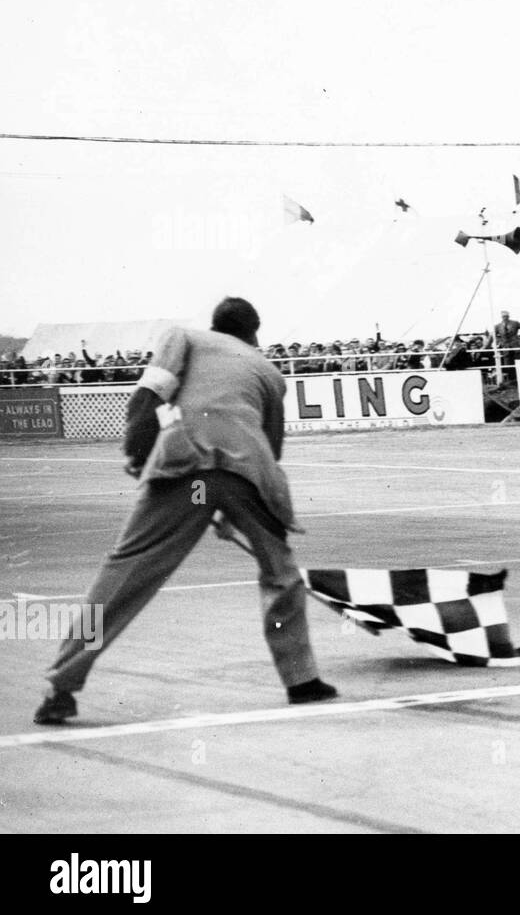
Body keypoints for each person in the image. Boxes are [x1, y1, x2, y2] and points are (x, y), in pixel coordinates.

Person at [35, 297, 335, 725]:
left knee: (127, 572)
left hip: (185, 471)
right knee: (280, 573)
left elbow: (147, 397)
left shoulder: (184, 337)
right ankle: (301, 680)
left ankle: (61, 685)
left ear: (215, 324)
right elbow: (272, 449)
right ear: (255, 331)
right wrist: (233, 508)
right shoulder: (268, 371)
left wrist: (139, 455)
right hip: (245, 475)